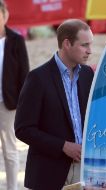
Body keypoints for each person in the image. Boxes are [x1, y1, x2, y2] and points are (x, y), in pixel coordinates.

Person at [14, 19, 94, 190]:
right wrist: (62, 146)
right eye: (84, 45)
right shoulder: (37, 78)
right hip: (48, 174)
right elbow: (23, 129)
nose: (90, 51)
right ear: (67, 43)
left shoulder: (88, 74)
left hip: (85, 172)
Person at [0, 1, 29, 190]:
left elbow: (25, 74)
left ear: (5, 16)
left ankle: (12, 188)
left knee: (10, 150)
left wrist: (23, 102)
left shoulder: (16, 40)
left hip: (7, 104)